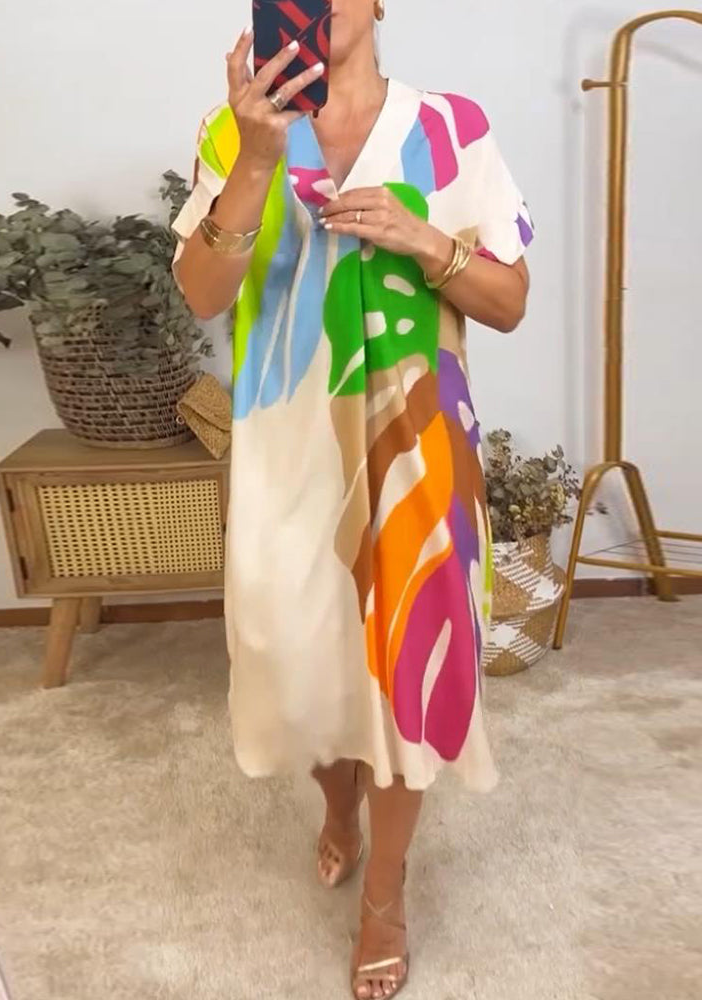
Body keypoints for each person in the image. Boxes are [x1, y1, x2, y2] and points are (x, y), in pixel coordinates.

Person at [173, 1, 533, 996]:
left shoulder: (451, 127)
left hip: (418, 439)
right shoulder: (233, 130)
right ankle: (337, 802)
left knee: (404, 659)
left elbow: (508, 302)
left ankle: (385, 891)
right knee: (294, 652)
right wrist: (256, 157)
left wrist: (426, 240)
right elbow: (203, 293)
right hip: (286, 443)